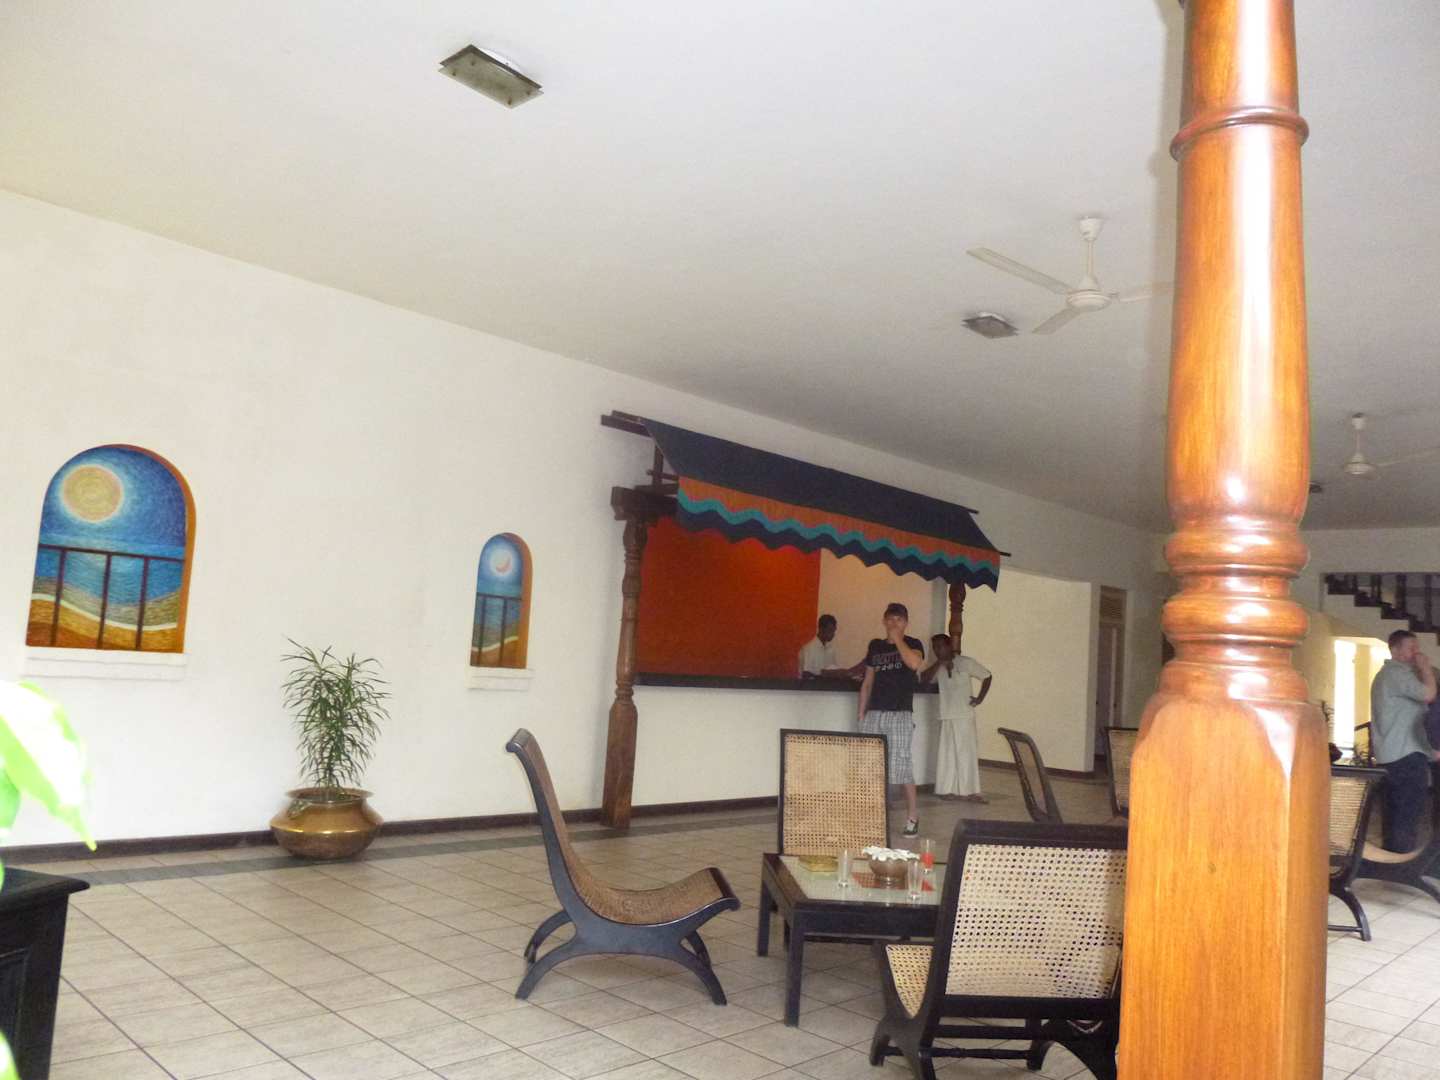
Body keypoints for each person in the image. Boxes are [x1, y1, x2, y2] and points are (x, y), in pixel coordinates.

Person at [857, 602, 926, 836]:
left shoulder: (914, 644)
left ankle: (912, 817)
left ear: (906, 623)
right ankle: (872, 815)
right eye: (891, 619)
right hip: (874, 713)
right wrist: (861, 713)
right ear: (884, 621)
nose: (894, 623)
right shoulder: (875, 646)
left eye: (899, 619)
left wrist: (897, 640)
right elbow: (867, 682)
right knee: (870, 766)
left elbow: (914, 663)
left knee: (902, 766)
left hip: (900, 713)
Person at [1370, 629, 1438, 853]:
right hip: (1404, 755)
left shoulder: (1390, 675)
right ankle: (1400, 858)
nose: (1417, 653)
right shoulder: (1396, 674)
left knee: (1397, 811)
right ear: (1395, 650)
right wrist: (1426, 668)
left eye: (1417, 648)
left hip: (1396, 753)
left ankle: (1392, 857)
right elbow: (1428, 694)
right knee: (1407, 812)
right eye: (1411, 648)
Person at [922, 633, 992, 802]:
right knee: (947, 755)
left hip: (964, 715)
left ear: (949, 646)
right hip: (946, 715)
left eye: (940, 646)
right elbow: (924, 680)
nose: (937, 650)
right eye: (935, 647)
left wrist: (980, 698)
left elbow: (987, 676)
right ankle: (946, 790)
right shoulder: (937, 668)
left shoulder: (965, 662)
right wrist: (939, 663)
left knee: (966, 753)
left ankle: (970, 792)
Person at [797, 615, 862, 679]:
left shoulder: (831, 649)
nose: (833, 634)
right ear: (821, 629)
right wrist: (825, 674)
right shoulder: (808, 650)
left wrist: (839, 673)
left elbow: (832, 670)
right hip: (811, 685)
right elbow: (806, 675)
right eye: (830, 630)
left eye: (834, 630)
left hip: (827, 685)